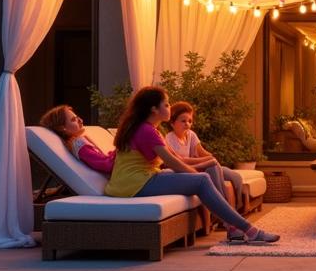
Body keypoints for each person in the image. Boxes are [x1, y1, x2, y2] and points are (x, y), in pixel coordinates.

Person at [105, 86, 279, 245]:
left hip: (136, 181)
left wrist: (202, 168)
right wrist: (197, 177)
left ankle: (234, 227)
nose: (170, 108)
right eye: (166, 104)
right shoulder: (147, 131)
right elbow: (173, 163)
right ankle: (248, 230)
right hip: (136, 184)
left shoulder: (148, 129)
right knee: (202, 180)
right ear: (154, 109)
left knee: (205, 173)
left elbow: (176, 159)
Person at [165, 101, 246, 212]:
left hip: (201, 165)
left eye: (190, 121)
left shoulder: (191, 135)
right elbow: (178, 160)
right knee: (213, 166)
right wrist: (208, 160)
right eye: (183, 121)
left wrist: (210, 157)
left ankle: (235, 206)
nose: (187, 124)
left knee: (235, 177)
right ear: (172, 123)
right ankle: (226, 210)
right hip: (187, 170)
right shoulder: (169, 139)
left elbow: (202, 152)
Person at [38, 105, 114, 174]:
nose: (81, 120)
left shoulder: (80, 142)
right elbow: (106, 165)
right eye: (74, 120)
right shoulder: (79, 145)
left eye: (78, 118)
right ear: (63, 128)